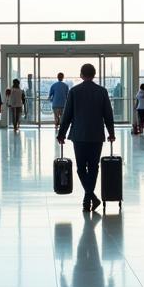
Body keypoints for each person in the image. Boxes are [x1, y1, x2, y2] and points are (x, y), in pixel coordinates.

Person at [57, 62, 116, 212]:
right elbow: (108, 114)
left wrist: (61, 134)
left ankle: (88, 198)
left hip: (79, 136)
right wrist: (111, 132)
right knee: (94, 167)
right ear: (94, 74)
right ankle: (90, 197)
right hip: (96, 135)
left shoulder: (74, 91)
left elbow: (67, 115)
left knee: (81, 168)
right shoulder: (102, 91)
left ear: (81, 75)